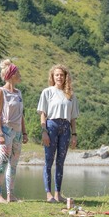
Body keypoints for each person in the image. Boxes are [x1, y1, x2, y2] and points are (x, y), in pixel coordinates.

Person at [37, 64, 79, 203]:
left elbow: (73, 118)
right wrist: (44, 132)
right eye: (57, 75)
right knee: (49, 160)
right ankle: (48, 194)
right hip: (51, 126)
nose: (59, 77)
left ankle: (58, 194)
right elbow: (43, 113)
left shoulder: (71, 95)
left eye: (61, 75)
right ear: (52, 77)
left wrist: (74, 135)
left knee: (60, 162)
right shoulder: (47, 92)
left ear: (65, 77)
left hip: (66, 127)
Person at [0, 59, 28, 203]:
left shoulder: (19, 93)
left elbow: (21, 115)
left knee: (13, 164)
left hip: (18, 132)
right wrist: (0, 133)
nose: (20, 75)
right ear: (11, 75)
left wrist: (24, 132)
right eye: (18, 72)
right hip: (5, 131)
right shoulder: (0, 92)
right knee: (2, 162)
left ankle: (10, 195)